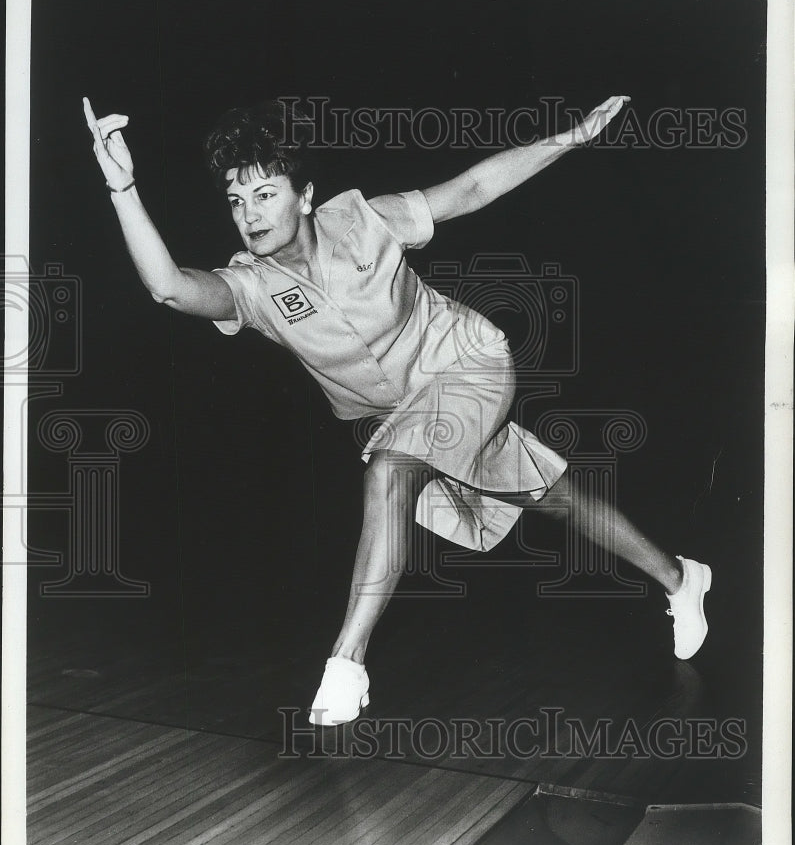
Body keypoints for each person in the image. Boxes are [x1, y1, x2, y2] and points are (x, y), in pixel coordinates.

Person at [83, 94, 712, 727]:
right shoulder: (252, 288)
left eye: (265, 194)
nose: (249, 215)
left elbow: (469, 189)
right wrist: (123, 188)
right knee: (552, 496)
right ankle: (681, 578)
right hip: (406, 409)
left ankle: (347, 661)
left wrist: (571, 138)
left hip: (468, 363)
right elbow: (168, 287)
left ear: (303, 197)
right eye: (237, 201)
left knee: (389, 468)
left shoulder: (365, 220)